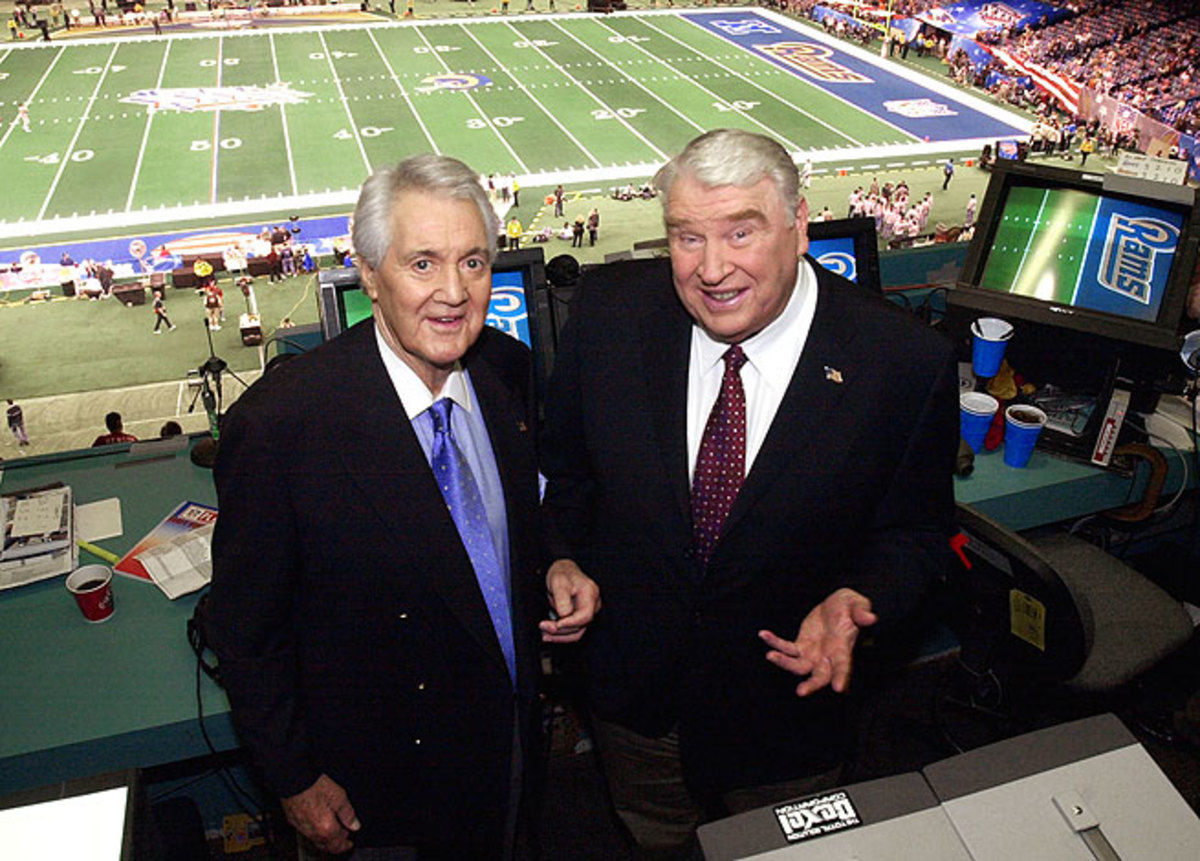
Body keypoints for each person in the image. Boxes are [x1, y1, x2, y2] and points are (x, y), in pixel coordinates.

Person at [540, 129, 958, 857]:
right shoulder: (608, 314)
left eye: (742, 231)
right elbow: (562, 477)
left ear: (798, 227)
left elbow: (917, 533)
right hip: (634, 702)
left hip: (787, 716)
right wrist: (560, 559)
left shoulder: (900, 360)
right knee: (655, 840)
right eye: (687, 237)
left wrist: (862, 596)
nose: (712, 267)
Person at [205, 153, 577, 860]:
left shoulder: (506, 369)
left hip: (512, 751)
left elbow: (521, 513)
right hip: (380, 790)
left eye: (473, 262)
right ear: (369, 273)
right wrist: (294, 778)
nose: (453, 292)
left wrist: (554, 558)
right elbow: (247, 630)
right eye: (423, 263)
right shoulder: (283, 425)